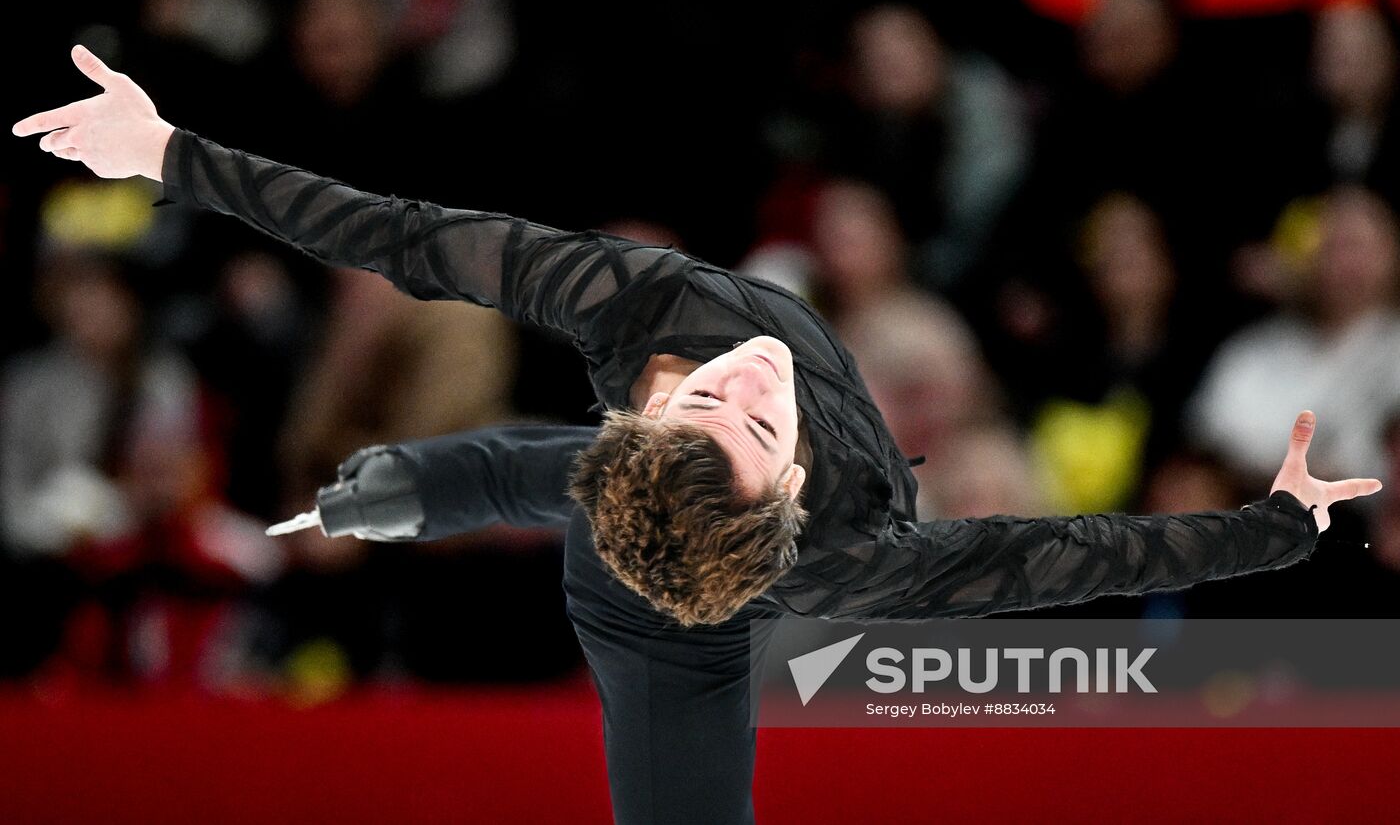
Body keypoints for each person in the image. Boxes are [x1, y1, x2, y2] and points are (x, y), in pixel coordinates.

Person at [14, 45, 1383, 825]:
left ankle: (372, 498)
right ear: (793, 483)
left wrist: (173, 154)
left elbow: (403, 235)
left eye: (708, 394)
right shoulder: (837, 538)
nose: (748, 373)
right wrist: (1274, 523)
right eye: (749, 413)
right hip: (644, 610)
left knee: (509, 465)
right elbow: (1062, 552)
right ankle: (378, 501)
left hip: (640, 513)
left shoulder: (628, 308)